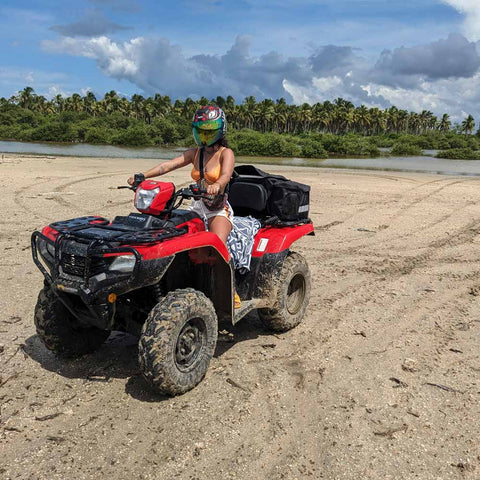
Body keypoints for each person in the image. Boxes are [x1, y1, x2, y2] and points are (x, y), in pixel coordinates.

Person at [127, 105, 241, 307]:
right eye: (201, 130)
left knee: (218, 245)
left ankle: (231, 291)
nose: (204, 135)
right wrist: (143, 175)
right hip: (197, 206)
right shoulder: (195, 153)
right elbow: (168, 165)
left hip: (217, 208)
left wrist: (216, 186)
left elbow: (225, 176)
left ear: (219, 130)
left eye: (209, 130)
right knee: (174, 236)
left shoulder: (226, 153)